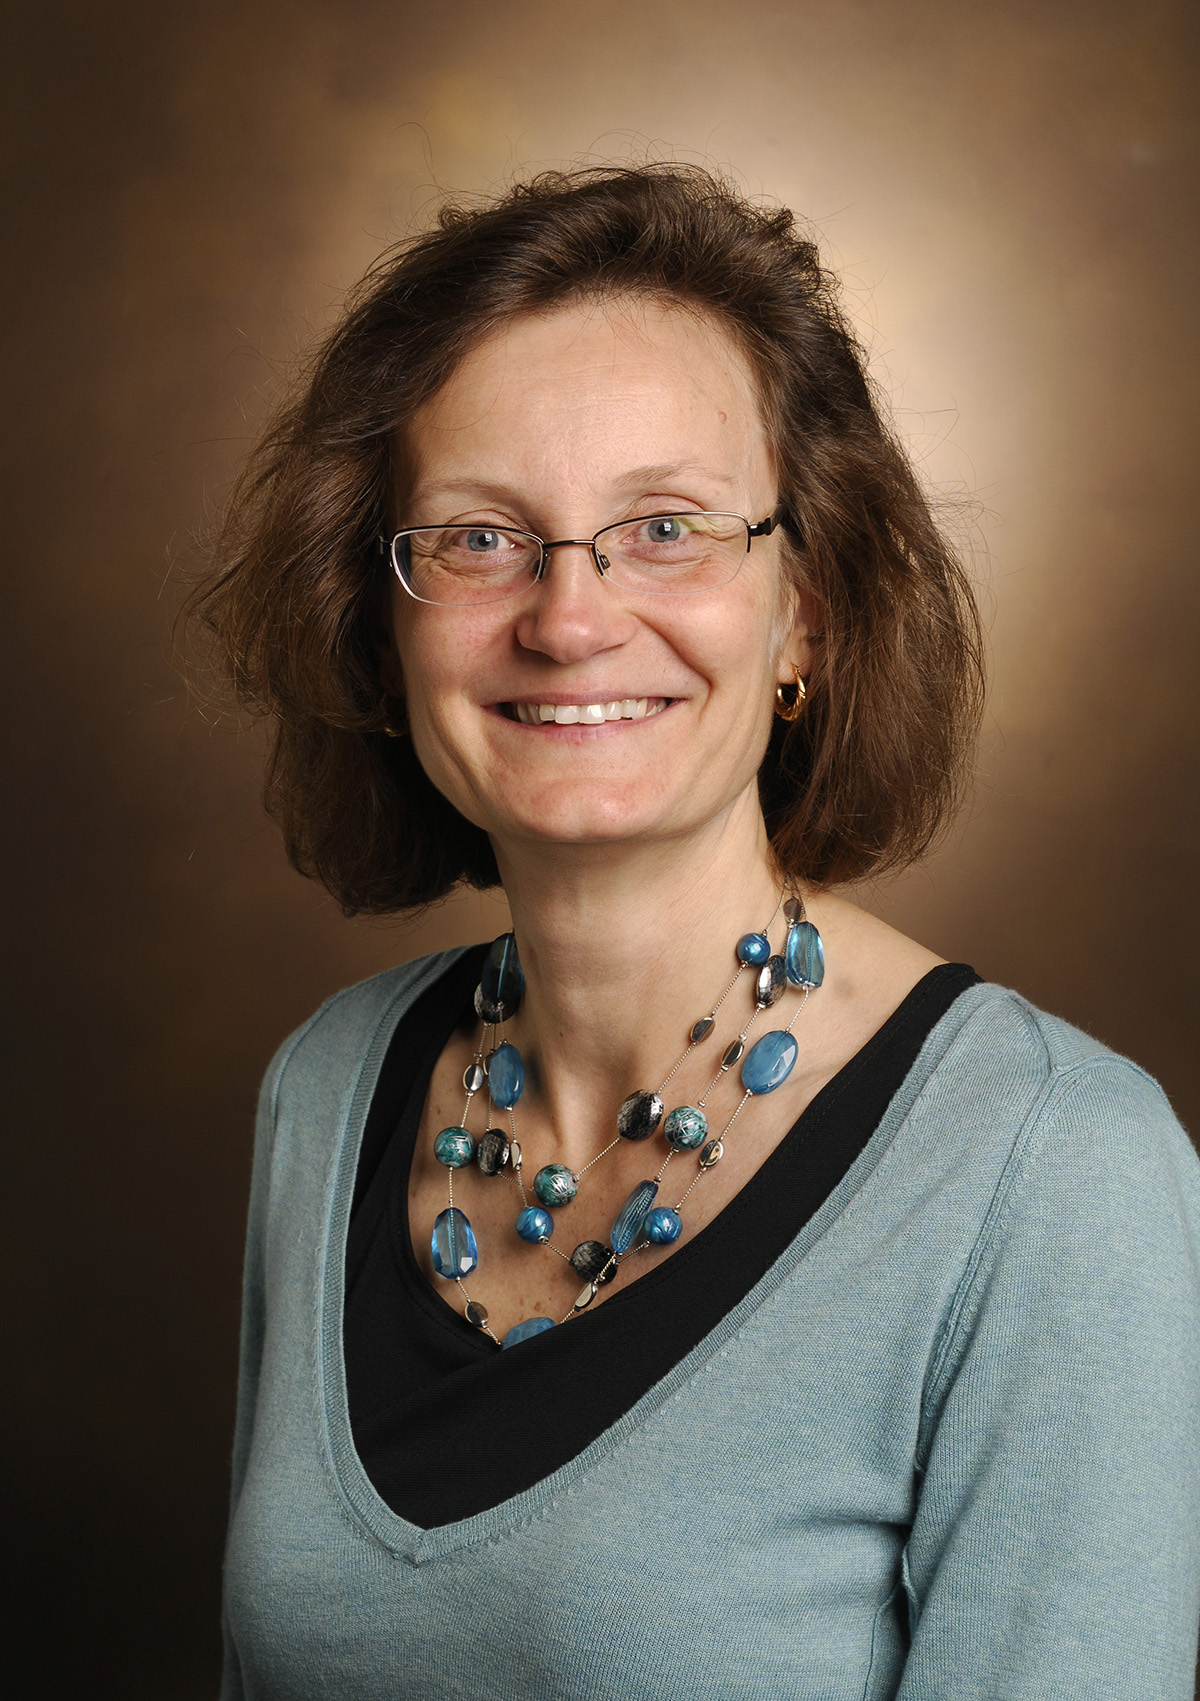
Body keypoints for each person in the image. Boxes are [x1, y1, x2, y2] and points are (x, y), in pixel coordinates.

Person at [197, 166, 1200, 1700]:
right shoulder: (325, 1089)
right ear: (380, 620)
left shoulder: (1054, 1167)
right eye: (477, 538)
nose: (569, 615)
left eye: (663, 526)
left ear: (805, 609)